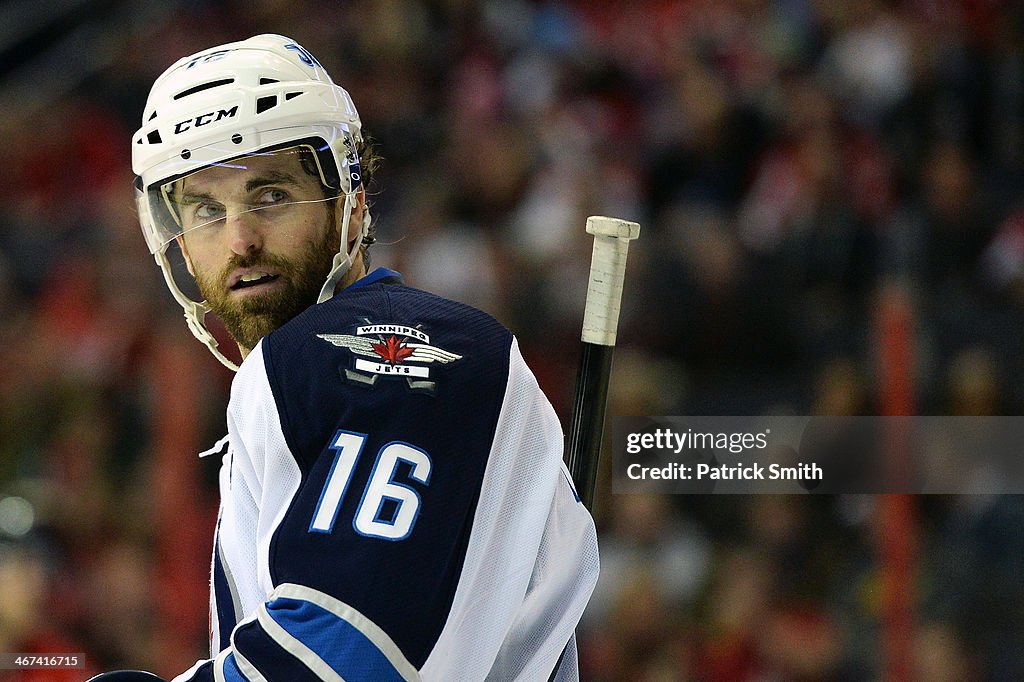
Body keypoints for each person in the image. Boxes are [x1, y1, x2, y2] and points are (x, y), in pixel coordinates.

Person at [105, 34, 599, 682]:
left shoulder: (396, 345)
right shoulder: (298, 371)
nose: (240, 240)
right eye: (205, 209)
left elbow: (346, 655)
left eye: (270, 195)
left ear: (353, 199)